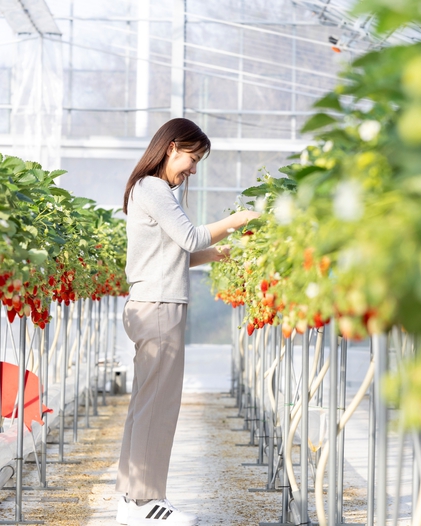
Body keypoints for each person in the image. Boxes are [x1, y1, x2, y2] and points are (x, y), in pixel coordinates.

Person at [115, 118, 259, 526]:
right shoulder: (155, 188)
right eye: (192, 159)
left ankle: (129, 498)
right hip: (159, 307)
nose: (192, 169)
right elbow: (192, 237)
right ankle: (147, 501)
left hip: (149, 303)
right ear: (172, 147)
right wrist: (237, 219)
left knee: (146, 402)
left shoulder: (149, 190)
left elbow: (176, 251)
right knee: (159, 405)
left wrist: (216, 254)